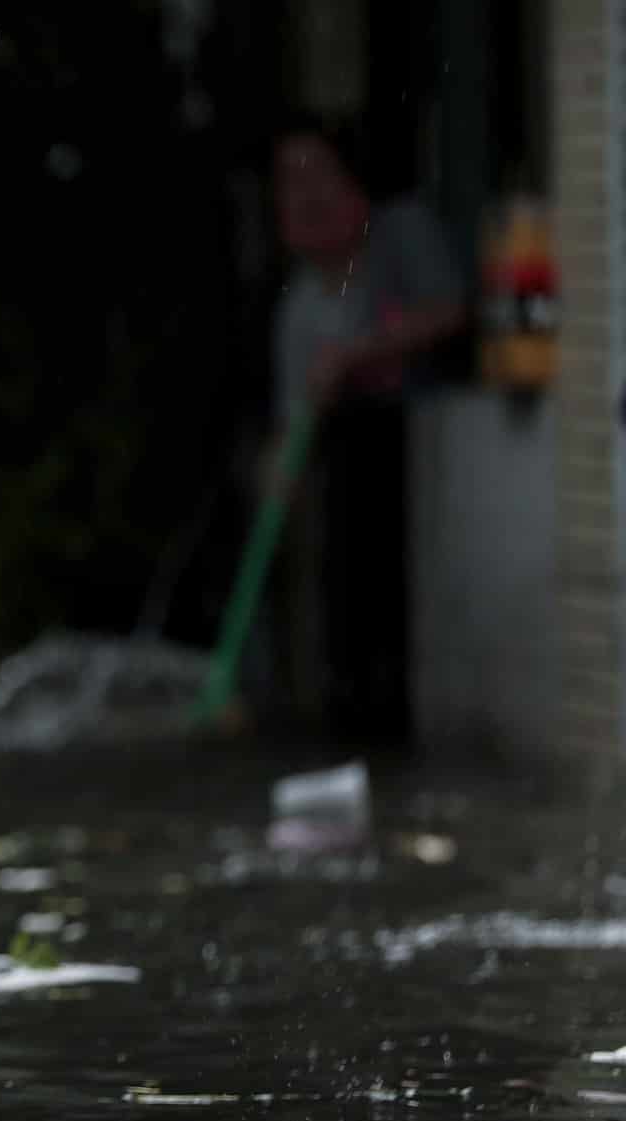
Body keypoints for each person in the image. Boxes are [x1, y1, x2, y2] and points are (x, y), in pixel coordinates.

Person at [269, 116, 466, 743]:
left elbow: (448, 311)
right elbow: (293, 419)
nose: (304, 194)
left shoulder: (401, 232)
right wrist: (279, 470)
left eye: (315, 174)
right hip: (348, 482)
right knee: (349, 617)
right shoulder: (299, 305)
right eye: (288, 181)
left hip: (429, 464)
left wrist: (357, 356)